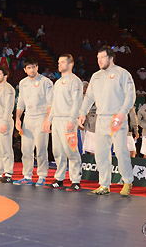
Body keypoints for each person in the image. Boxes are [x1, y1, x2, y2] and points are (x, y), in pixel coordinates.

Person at [78, 46, 135, 196]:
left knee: (121, 151)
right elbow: (89, 97)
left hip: (117, 118)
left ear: (111, 58)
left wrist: (123, 112)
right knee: (101, 153)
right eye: (98, 58)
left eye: (102, 57)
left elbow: (130, 96)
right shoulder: (96, 76)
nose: (99, 61)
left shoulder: (122, 74)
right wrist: (83, 113)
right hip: (101, 118)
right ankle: (104, 184)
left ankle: (127, 181)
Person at [43, 54, 84, 191]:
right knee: (57, 151)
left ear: (70, 64)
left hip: (68, 120)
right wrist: (49, 120)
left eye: (62, 62)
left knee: (71, 151)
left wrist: (72, 120)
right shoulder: (58, 82)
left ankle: (76, 180)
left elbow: (77, 102)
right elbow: (54, 103)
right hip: (57, 121)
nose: (59, 64)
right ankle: (59, 178)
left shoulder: (75, 81)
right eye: (58, 62)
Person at [14, 58, 53, 187]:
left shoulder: (45, 82)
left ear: (37, 67)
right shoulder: (23, 83)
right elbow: (20, 103)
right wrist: (18, 118)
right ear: (25, 70)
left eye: (33, 67)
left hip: (41, 117)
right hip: (28, 118)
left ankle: (42, 176)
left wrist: (47, 120)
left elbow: (50, 103)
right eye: (28, 68)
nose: (31, 70)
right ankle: (27, 175)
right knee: (26, 149)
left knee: (41, 149)